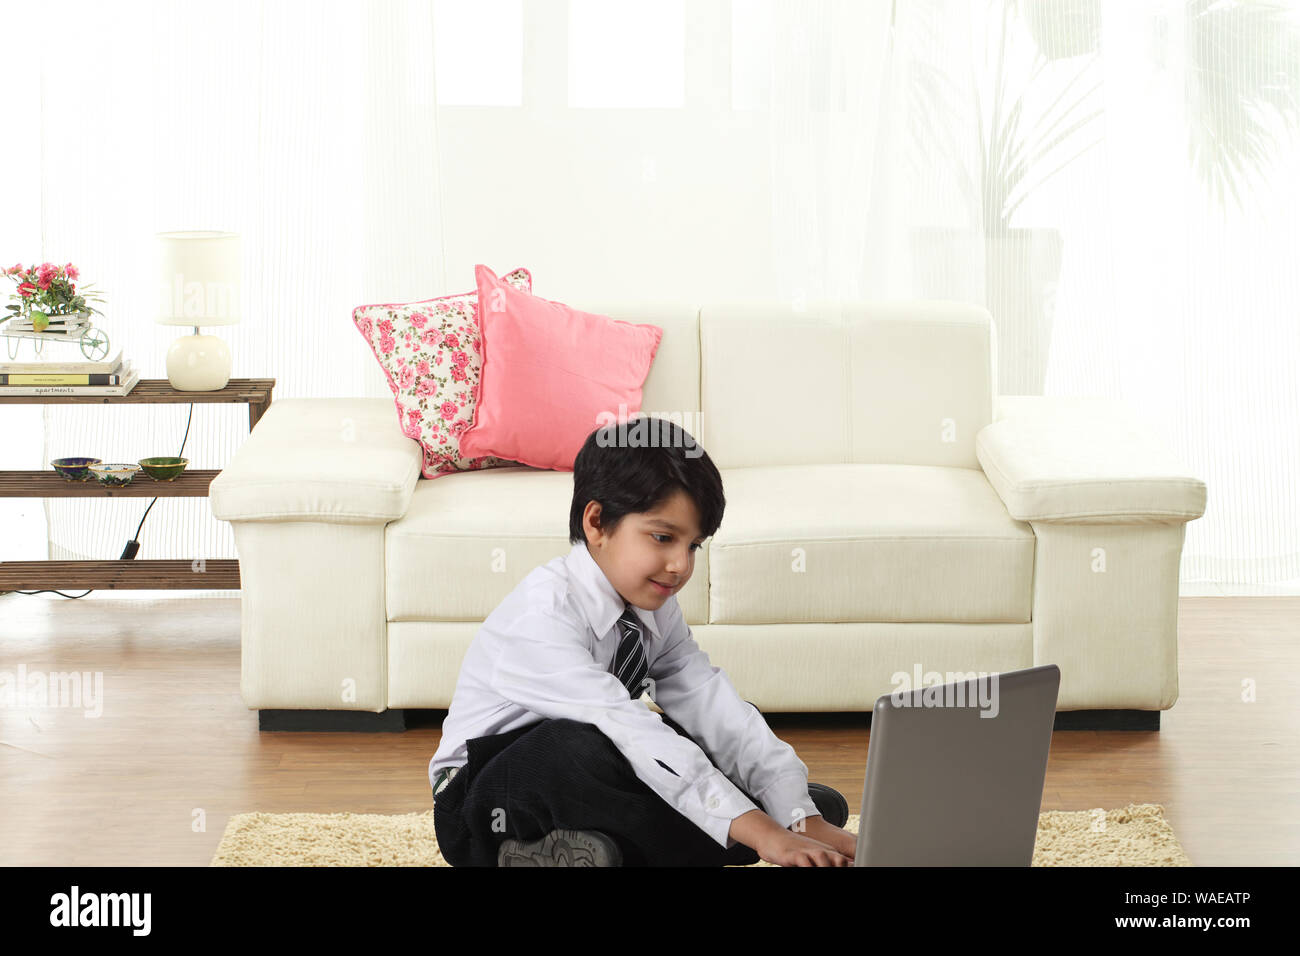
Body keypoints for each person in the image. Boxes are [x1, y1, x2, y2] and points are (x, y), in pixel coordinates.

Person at [429, 418, 855, 866]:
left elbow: (710, 703)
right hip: (481, 800)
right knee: (583, 746)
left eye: (694, 546)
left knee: (689, 743)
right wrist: (764, 829)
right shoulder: (543, 615)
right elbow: (623, 727)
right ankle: (732, 836)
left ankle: (574, 850)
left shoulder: (653, 606)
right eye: (663, 538)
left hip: (600, 761)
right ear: (597, 522)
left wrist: (795, 809)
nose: (679, 565)